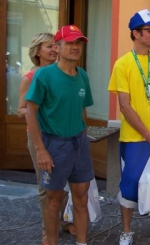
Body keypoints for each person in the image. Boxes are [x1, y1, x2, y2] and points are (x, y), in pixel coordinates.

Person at [108, 9, 150, 245]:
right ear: (135, 33)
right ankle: (126, 231)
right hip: (135, 139)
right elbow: (125, 107)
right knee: (130, 184)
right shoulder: (123, 64)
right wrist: (148, 135)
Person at [25, 25, 94, 245]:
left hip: (79, 144)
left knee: (81, 196)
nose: (75, 47)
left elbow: (82, 108)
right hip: (54, 144)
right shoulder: (44, 75)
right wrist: (40, 149)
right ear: (58, 46)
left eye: (78, 43)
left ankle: (82, 243)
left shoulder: (82, 75)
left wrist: (84, 137)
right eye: (70, 43)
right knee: (53, 200)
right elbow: (30, 111)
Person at [17, 33, 76, 245]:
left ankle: (66, 221)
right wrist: (40, 110)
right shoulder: (30, 78)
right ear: (37, 51)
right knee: (46, 185)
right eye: (48, 46)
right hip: (39, 138)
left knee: (68, 182)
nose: (54, 49)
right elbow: (21, 110)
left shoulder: (63, 74)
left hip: (64, 136)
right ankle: (47, 228)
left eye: (55, 46)